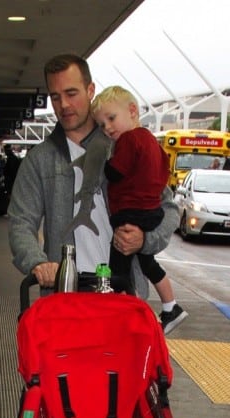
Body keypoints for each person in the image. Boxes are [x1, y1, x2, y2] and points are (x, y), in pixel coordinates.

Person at [8, 53, 179, 303]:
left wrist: (145, 240)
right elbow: (20, 221)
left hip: (124, 294)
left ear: (90, 90)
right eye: (55, 97)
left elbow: (169, 208)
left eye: (71, 93)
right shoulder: (39, 159)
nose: (63, 104)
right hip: (65, 297)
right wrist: (37, 263)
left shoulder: (125, 146)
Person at [91, 86, 188, 333]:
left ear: (132, 111)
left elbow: (116, 171)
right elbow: (162, 174)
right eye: (102, 124)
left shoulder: (128, 140)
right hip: (149, 211)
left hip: (130, 212)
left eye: (111, 119)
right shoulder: (153, 143)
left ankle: (128, 311)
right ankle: (171, 306)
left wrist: (107, 167)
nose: (108, 128)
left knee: (119, 268)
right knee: (147, 263)